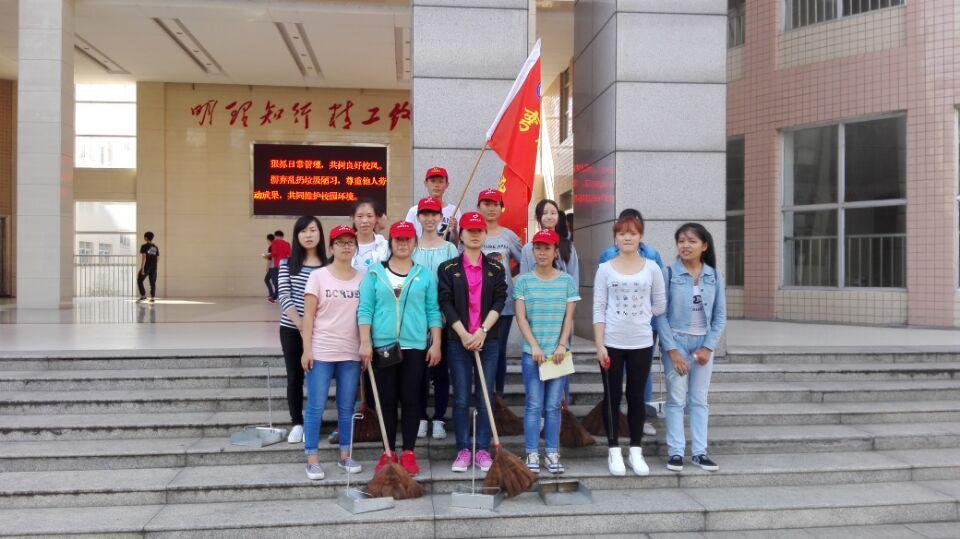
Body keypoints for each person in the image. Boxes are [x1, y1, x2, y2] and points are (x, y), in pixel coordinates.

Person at [358, 221, 443, 477]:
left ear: (414, 243)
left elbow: (433, 311)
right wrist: (365, 342)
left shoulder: (424, 275)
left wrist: (436, 343)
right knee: (386, 400)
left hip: (415, 346)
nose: (403, 244)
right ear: (391, 242)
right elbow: (365, 309)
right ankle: (387, 451)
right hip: (383, 346)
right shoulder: (374, 273)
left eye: (407, 239)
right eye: (398, 239)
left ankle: (408, 452)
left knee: (411, 399)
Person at [593, 216, 665, 477]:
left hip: (641, 343)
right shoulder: (605, 268)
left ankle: (636, 450)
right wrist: (599, 344)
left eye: (632, 233)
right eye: (622, 233)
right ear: (615, 238)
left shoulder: (652, 268)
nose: (627, 237)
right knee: (612, 397)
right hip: (611, 342)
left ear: (640, 237)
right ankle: (613, 450)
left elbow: (660, 304)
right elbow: (598, 308)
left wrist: (642, 316)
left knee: (636, 397)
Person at [437, 212, 507, 473]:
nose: (475, 235)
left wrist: (482, 331)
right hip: (459, 341)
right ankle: (464, 449)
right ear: (461, 234)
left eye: (479, 231)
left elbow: (500, 300)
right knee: (462, 397)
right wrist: (464, 334)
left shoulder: (496, 268)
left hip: (488, 340)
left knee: (485, 395)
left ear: (485, 234)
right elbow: (445, 302)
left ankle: (483, 449)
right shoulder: (448, 268)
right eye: (470, 230)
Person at [656, 223, 727, 473]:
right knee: (676, 399)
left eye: (692, 241)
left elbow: (720, 316)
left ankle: (699, 453)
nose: (685, 245)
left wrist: (708, 347)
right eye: (681, 241)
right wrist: (672, 350)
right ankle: (676, 452)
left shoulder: (714, 275)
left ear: (704, 246)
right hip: (676, 343)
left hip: (702, 345)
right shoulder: (668, 273)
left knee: (699, 400)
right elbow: (660, 314)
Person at [300, 225, 364, 480]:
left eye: (350, 242)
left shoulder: (364, 278)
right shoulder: (318, 276)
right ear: (331, 247)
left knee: (346, 407)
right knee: (315, 406)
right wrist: (307, 349)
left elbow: (365, 316)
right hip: (322, 352)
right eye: (340, 243)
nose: (346, 247)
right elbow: (308, 316)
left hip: (350, 353)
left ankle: (345, 455)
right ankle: (312, 458)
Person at [514, 229, 579, 475]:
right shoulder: (523, 281)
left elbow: (568, 318)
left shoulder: (566, 282)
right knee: (533, 405)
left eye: (547, 248)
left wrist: (562, 345)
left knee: (552, 406)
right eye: (538, 248)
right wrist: (534, 345)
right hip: (532, 354)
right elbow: (521, 317)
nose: (542, 252)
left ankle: (552, 452)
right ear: (532, 251)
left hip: (558, 356)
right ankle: (532, 452)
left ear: (555, 252)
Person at [411, 196, 459, 441]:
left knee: (441, 371)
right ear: (418, 217)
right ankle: (420, 417)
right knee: (418, 371)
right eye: (425, 214)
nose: (429, 218)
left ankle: (439, 417)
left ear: (441, 217)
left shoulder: (450, 249)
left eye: (434, 214)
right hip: (415, 320)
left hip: (444, 318)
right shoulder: (411, 247)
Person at [277, 217, 326, 444]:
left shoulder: (328, 265)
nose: (308, 235)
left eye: (313, 230)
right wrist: (300, 324)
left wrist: (312, 327)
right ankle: (297, 422)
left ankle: (313, 422)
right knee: (294, 376)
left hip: (321, 331)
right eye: (303, 231)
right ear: (296, 235)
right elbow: (284, 295)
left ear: (320, 234)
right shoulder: (287, 263)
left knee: (317, 378)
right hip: (291, 328)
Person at [477, 189, 522, 398]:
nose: (491, 208)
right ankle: (481, 396)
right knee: (480, 350)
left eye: (495, 204)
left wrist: (508, 278)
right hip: (476, 304)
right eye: (486, 204)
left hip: (504, 305)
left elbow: (524, 261)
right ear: (479, 207)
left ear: (501, 207)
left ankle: (498, 397)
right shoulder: (472, 232)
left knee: (499, 351)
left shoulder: (509, 236)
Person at [519, 199, 579, 286]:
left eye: (553, 213)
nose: (549, 217)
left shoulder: (568, 246)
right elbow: (523, 281)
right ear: (537, 217)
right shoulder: (527, 249)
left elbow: (574, 278)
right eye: (545, 213)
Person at [404, 166, 461, 238]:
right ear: (425, 183)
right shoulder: (414, 211)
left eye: (441, 181)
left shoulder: (454, 210)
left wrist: (454, 231)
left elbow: (458, 241)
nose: (436, 185)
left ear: (447, 185)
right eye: (433, 181)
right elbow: (407, 237)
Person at [351, 199, 390, 273]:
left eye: (369, 216)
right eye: (360, 216)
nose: (365, 221)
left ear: (376, 218)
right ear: (353, 218)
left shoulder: (385, 246)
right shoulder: (345, 245)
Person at [269, 230, 292, 303]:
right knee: (286, 281)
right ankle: (286, 296)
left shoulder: (274, 243)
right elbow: (289, 255)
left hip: (278, 264)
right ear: (282, 236)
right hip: (286, 264)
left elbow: (274, 253)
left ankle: (275, 297)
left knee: (277, 282)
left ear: (276, 236)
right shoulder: (287, 244)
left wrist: (269, 255)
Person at [136, 231, 159, 303]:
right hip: (154, 266)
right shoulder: (155, 247)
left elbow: (144, 258)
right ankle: (152, 298)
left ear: (146, 238)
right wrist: (154, 265)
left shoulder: (144, 246)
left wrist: (142, 268)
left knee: (139, 280)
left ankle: (143, 296)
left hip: (147, 266)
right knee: (152, 282)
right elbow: (157, 258)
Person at [263, 234, 276, 302]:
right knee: (269, 280)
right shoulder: (275, 246)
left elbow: (269, 258)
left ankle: (272, 295)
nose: (267, 241)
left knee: (270, 281)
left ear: (268, 240)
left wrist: (267, 267)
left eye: (267, 240)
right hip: (275, 267)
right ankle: (272, 294)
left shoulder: (271, 247)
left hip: (272, 267)